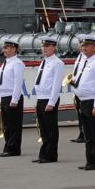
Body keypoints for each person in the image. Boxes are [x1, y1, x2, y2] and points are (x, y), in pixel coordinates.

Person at [71, 33, 95, 171]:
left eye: (87, 45)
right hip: (83, 101)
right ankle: (90, 160)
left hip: (93, 102)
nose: (83, 47)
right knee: (88, 134)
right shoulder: (85, 61)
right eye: (82, 45)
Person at [30, 35, 65, 164]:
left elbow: (56, 85)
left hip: (49, 99)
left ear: (53, 47)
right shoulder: (44, 61)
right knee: (43, 129)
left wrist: (51, 102)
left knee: (50, 129)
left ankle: (50, 155)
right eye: (43, 46)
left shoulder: (57, 63)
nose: (44, 48)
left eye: (47, 46)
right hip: (41, 98)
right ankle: (43, 153)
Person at [0, 38, 26, 157]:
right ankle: (8, 146)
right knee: (6, 125)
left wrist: (14, 99)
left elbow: (18, 83)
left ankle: (13, 149)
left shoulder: (17, 63)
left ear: (14, 49)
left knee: (14, 125)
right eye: (4, 48)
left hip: (12, 97)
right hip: (4, 96)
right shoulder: (6, 63)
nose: (4, 50)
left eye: (7, 48)